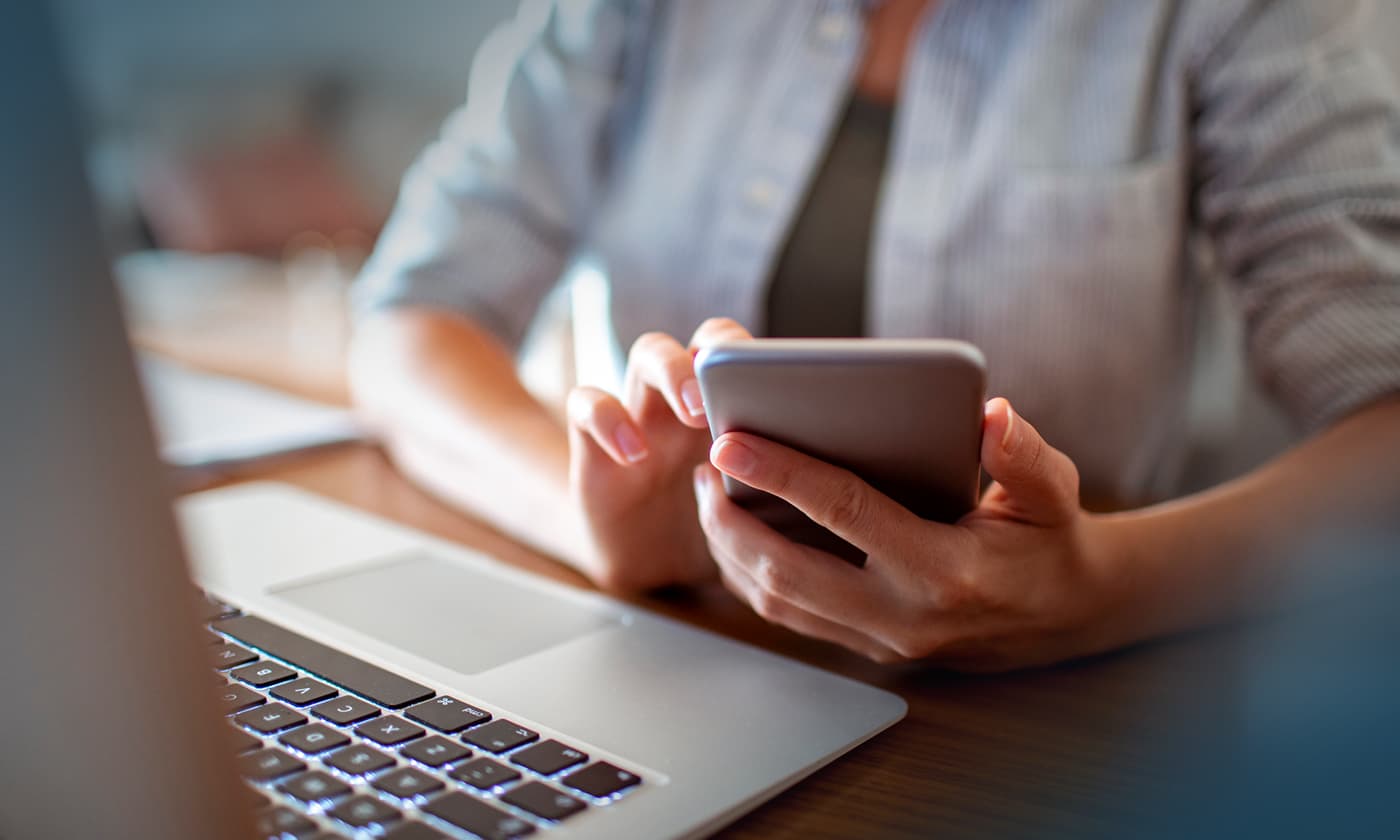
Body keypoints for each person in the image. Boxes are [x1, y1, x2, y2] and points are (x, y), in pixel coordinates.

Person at [350, 0, 1400, 670]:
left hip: (1058, 714)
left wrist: (1097, 588)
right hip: (689, 654)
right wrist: (609, 530)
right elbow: (405, 319)